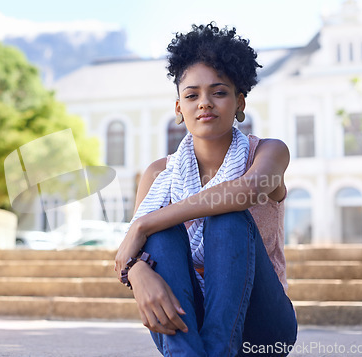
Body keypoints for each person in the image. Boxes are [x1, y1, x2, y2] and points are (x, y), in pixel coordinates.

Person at [115, 22, 298, 357]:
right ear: (178, 110)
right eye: (192, 95)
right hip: (188, 319)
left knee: (226, 219)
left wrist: (143, 224)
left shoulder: (268, 153)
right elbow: (134, 252)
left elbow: (246, 191)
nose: (204, 103)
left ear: (240, 103)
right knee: (162, 235)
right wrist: (136, 271)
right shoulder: (159, 173)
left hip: (263, 328)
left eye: (219, 92)